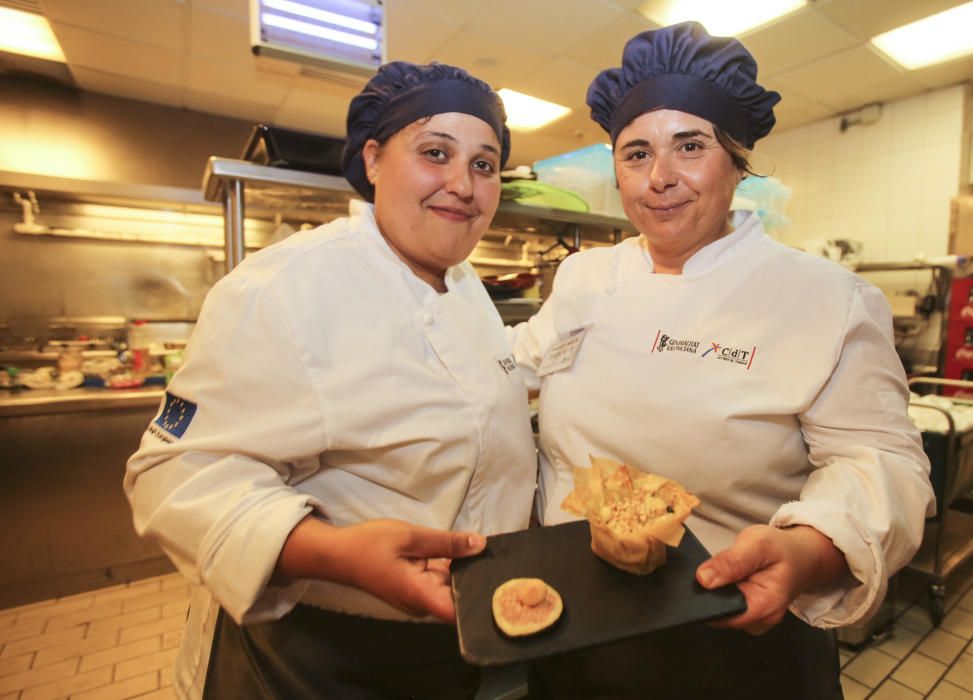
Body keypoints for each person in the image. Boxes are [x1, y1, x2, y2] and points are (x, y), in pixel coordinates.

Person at [511, 22, 935, 699]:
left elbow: (881, 461)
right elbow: (514, 367)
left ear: (736, 161)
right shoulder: (586, 277)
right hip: (577, 622)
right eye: (635, 153)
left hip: (733, 631)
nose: (659, 179)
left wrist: (807, 549)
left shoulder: (823, 297)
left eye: (690, 147)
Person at [124, 61, 537, 700]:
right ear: (373, 159)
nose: (463, 184)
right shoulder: (282, 290)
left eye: (484, 165)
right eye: (435, 153)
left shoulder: (463, 284)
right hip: (320, 652)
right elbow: (172, 478)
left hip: (454, 642)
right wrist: (330, 553)